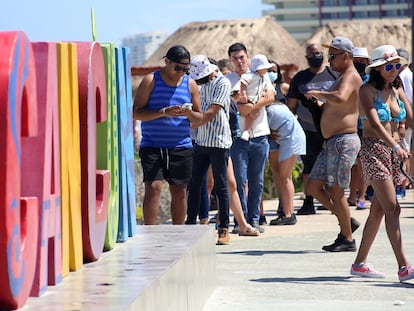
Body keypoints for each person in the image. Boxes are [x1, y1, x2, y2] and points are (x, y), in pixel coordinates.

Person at [350, 44, 414, 282]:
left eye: (397, 66)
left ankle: (359, 264)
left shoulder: (395, 90)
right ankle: (404, 267)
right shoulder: (366, 90)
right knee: (393, 208)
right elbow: (376, 124)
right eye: (389, 66)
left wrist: (401, 143)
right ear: (377, 68)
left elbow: (403, 120)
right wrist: (396, 146)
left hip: (394, 152)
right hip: (373, 150)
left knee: (378, 210)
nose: (394, 70)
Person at [133, 45, 203, 225]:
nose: (181, 72)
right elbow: (136, 113)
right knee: (154, 187)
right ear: (167, 62)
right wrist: (163, 112)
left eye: (185, 68)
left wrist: (189, 114)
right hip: (152, 144)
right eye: (178, 67)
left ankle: (177, 232)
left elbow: (199, 116)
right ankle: (149, 232)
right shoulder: (151, 80)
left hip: (180, 144)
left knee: (179, 190)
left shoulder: (190, 84)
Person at [305, 36, 362, 252]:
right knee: (312, 186)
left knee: (337, 192)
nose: (329, 60)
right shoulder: (341, 76)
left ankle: (347, 238)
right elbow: (338, 103)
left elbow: (339, 97)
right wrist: (322, 104)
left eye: (332, 56)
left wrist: (318, 93)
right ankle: (347, 221)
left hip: (343, 141)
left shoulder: (350, 76)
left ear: (346, 56)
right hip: (332, 142)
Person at [226, 43, 274, 233]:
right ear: (230, 61)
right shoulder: (227, 81)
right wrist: (246, 107)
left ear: (248, 57)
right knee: (239, 180)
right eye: (235, 58)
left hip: (260, 135)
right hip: (237, 138)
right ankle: (241, 220)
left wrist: (250, 107)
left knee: (257, 180)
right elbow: (230, 105)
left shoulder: (261, 76)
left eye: (242, 57)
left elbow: (271, 97)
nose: (239, 61)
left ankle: (254, 219)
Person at [286, 43, 338, 215]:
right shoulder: (300, 78)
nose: (316, 55)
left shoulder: (334, 74)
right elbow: (291, 104)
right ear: (307, 56)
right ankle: (308, 202)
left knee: (332, 167)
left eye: (318, 53)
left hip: (332, 129)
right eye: (312, 53)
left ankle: (331, 201)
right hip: (307, 129)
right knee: (309, 166)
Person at [266, 101, 306, 226]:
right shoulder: (275, 107)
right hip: (284, 139)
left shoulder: (268, 111)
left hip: (291, 140)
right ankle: (284, 209)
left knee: (284, 177)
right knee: (278, 174)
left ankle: (289, 214)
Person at [347, 47, 371, 210]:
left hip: (364, 126)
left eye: (362, 61)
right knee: (353, 164)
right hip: (350, 125)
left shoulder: (369, 80)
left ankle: (361, 196)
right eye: (356, 61)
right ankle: (352, 195)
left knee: (362, 163)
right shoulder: (347, 78)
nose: (359, 64)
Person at [237, 54, 274, 140]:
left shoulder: (263, 78)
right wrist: (243, 94)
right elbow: (243, 83)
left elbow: (268, 91)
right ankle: (244, 131)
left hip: (256, 100)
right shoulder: (249, 76)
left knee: (253, 114)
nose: (266, 70)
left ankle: (246, 130)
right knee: (245, 114)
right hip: (249, 99)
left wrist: (264, 93)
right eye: (264, 68)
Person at [396, 48, 413, 193]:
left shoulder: (405, 76)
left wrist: (405, 120)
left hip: (404, 120)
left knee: (404, 150)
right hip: (404, 119)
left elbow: (408, 99)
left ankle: (404, 181)